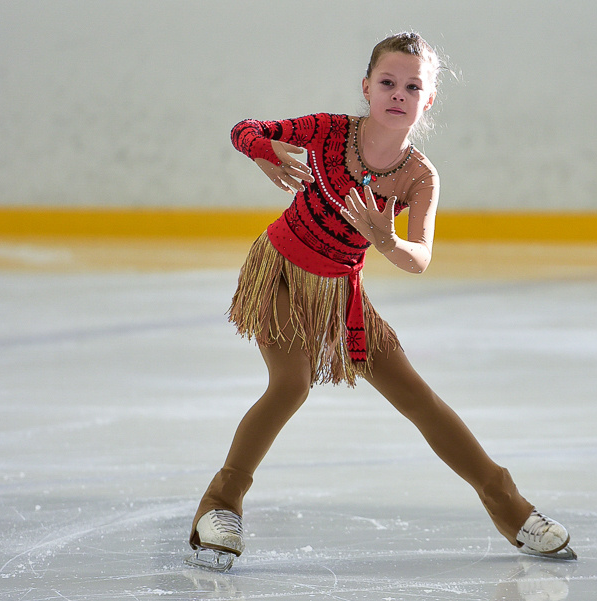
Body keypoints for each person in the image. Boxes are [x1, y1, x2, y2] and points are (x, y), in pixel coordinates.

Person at [186, 32, 574, 571]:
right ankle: (220, 505)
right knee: (291, 383)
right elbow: (244, 129)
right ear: (366, 88)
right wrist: (264, 151)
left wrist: (385, 239)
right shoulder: (327, 131)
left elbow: (419, 257)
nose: (398, 94)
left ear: (427, 101)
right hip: (280, 272)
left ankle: (509, 506)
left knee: (417, 396)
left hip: (342, 294)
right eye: (387, 83)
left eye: (412, 86)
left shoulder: (419, 176)